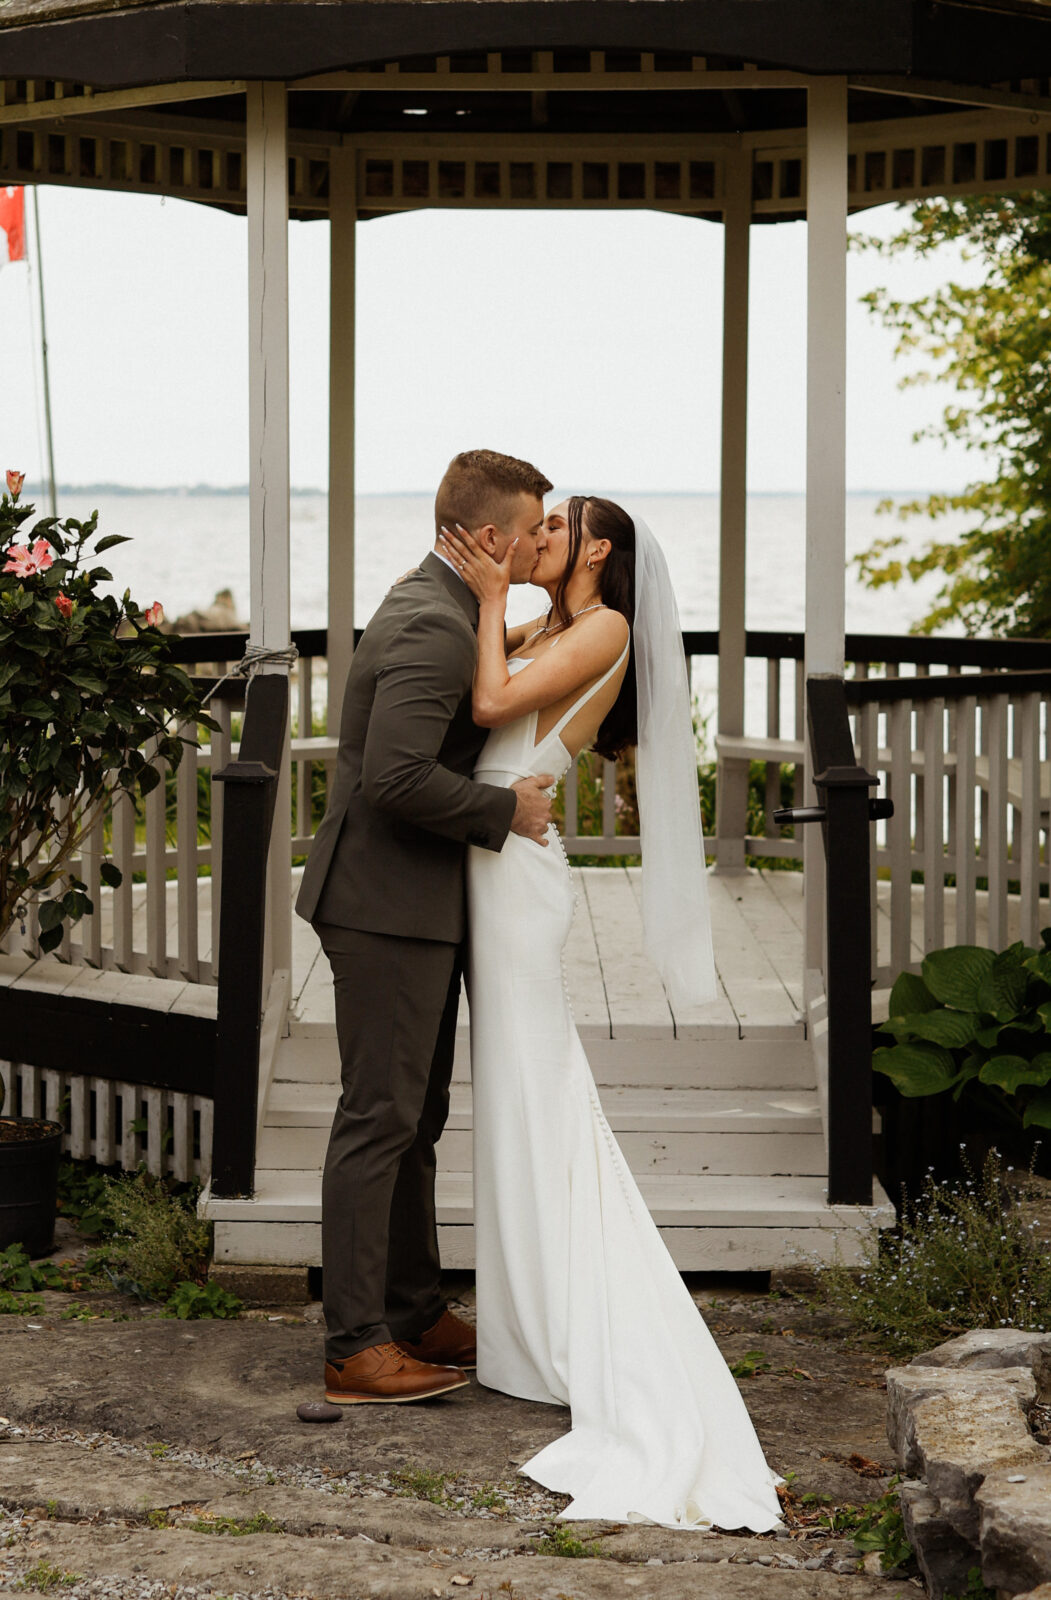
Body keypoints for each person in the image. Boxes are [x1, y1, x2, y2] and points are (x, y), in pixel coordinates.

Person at [437, 497, 785, 1532]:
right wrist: (492, 598)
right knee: (511, 1095)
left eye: (551, 526)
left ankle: (565, 1323)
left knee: (538, 1091)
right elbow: (471, 680)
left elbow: (492, 703)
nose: (531, 536)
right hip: (491, 856)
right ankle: (524, 1326)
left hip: (516, 882)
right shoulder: (556, 620)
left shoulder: (605, 629)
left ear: (596, 548)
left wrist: (492, 592)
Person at [295, 449, 554, 1405]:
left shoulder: (451, 609)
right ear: (490, 537)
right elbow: (394, 778)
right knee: (379, 1122)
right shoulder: (430, 626)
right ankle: (355, 1345)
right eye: (531, 530)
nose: (536, 544)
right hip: (382, 908)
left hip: (411, 907)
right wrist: (506, 814)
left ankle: (410, 1309)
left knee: (416, 1122)